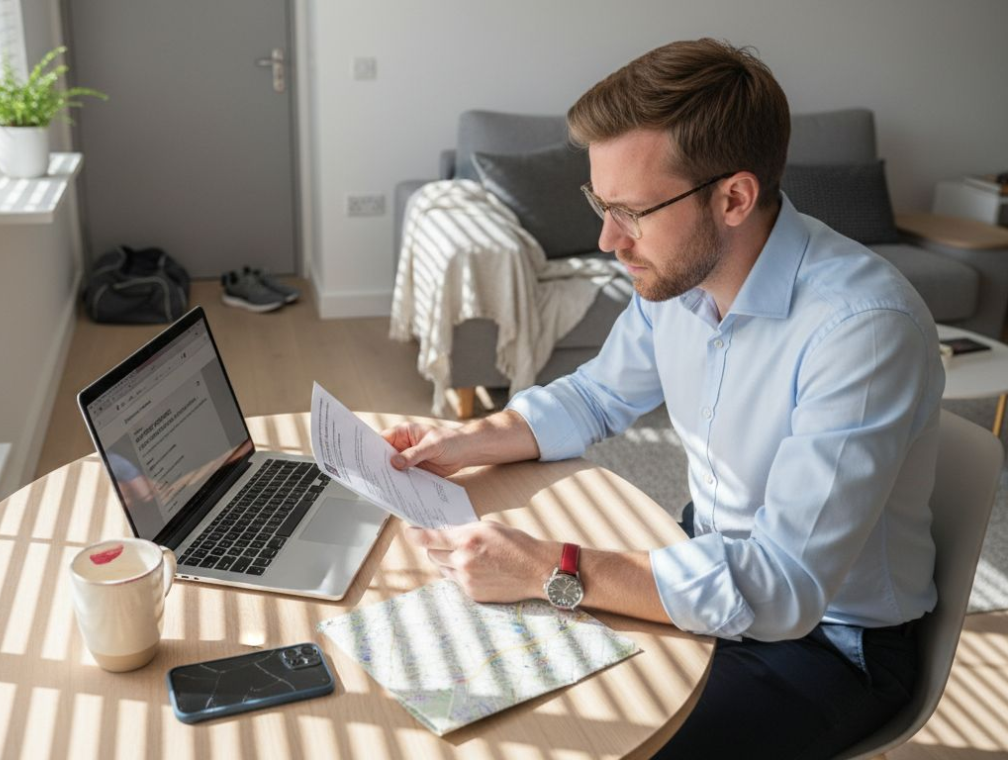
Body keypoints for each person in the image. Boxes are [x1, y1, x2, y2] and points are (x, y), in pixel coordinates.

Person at [381, 38, 944, 759]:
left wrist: (551, 568)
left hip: (829, 644)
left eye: (630, 211)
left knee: (594, 739)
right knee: (475, 683)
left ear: (734, 197)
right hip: (708, 562)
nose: (607, 238)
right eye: (599, 202)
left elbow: (782, 588)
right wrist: (468, 441)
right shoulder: (678, 281)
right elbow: (595, 395)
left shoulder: (861, 331)